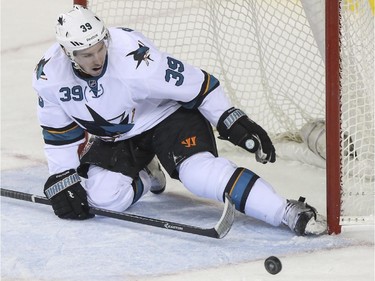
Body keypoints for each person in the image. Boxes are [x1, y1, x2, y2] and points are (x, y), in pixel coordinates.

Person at [32, 5, 323, 236]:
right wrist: (62, 176)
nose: (97, 59)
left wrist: (230, 118)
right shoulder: (50, 76)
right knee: (102, 198)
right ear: (68, 54)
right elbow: (59, 133)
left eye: (100, 48)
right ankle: (148, 173)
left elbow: (201, 85)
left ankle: (286, 211)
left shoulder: (137, 62)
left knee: (199, 174)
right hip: (120, 136)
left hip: (169, 118)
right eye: (86, 54)